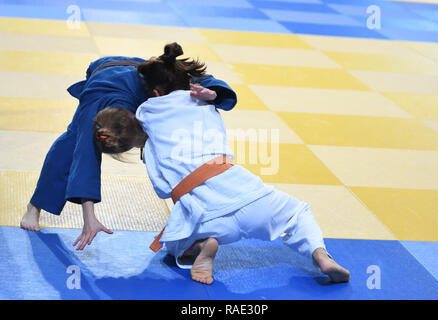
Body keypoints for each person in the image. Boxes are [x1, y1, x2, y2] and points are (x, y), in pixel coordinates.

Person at [93, 43, 350, 284]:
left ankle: (203, 245)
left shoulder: (147, 111)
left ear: (155, 93)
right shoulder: (207, 101)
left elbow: (162, 188)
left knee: (173, 247)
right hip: (246, 193)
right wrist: (212, 94)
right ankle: (321, 256)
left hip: (203, 215)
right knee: (298, 214)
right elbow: (219, 94)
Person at [20, 50, 237, 251]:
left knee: (176, 146)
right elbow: (85, 158)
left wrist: (212, 93)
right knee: (73, 142)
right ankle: (34, 206)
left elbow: (201, 77)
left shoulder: (165, 78)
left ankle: (190, 216)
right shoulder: (94, 104)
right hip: (104, 75)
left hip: (140, 71)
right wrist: (89, 217)